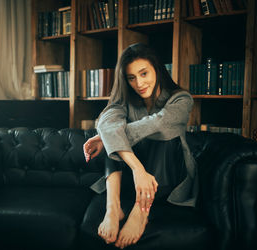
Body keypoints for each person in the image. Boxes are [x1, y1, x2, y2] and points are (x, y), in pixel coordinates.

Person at [83, 43, 198, 249]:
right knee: (113, 136)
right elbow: (106, 120)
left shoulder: (181, 99)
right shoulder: (127, 100)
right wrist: (137, 169)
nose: (139, 83)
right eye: (131, 78)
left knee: (157, 134)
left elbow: (157, 123)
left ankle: (140, 212)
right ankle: (113, 206)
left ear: (157, 69)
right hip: (135, 174)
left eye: (144, 73)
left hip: (170, 174)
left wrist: (106, 136)